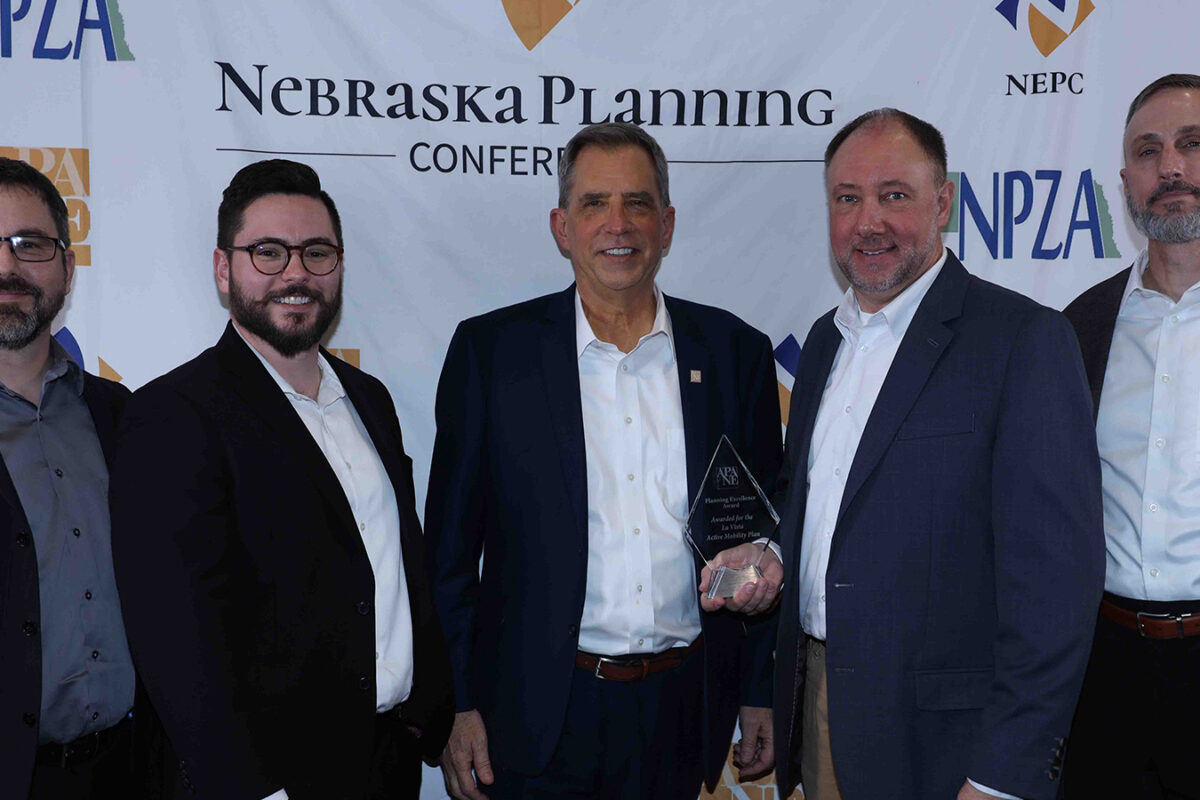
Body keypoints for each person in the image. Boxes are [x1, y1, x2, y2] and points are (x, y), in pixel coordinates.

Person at [706, 108, 1104, 800]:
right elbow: (822, 500)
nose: (869, 222)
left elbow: (1056, 586)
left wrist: (1004, 775)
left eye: (894, 195)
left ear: (942, 202)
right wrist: (774, 551)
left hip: (949, 748)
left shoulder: (1022, 340)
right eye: (847, 199)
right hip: (820, 709)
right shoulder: (824, 341)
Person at [425, 122, 782, 800]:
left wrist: (759, 689)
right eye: (594, 203)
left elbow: (763, 533)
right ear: (562, 226)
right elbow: (448, 556)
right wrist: (457, 702)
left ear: (667, 224)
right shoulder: (491, 355)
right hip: (535, 716)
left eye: (637, 203)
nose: (618, 224)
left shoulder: (735, 353)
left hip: (682, 710)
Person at [109, 159, 454, 800]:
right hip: (271, 780)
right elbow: (176, 641)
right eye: (268, 252)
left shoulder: (370, 400)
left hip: (385, 764)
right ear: (224, 269)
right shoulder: (172, 415)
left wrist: (427, 713)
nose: (296, 274)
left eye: (316, 252)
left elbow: (398, 569)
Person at [1061, 73, 1200, 799]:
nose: (1171, 167)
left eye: (1192, 144)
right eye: (1149, 152)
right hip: (1103, 667)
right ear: (1125, 183)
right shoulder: (1078, 327)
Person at [0, 157, 145, 800]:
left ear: (67, 267)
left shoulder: (123, 416)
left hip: (127, 771)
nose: (7, 266)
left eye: (29, 244)